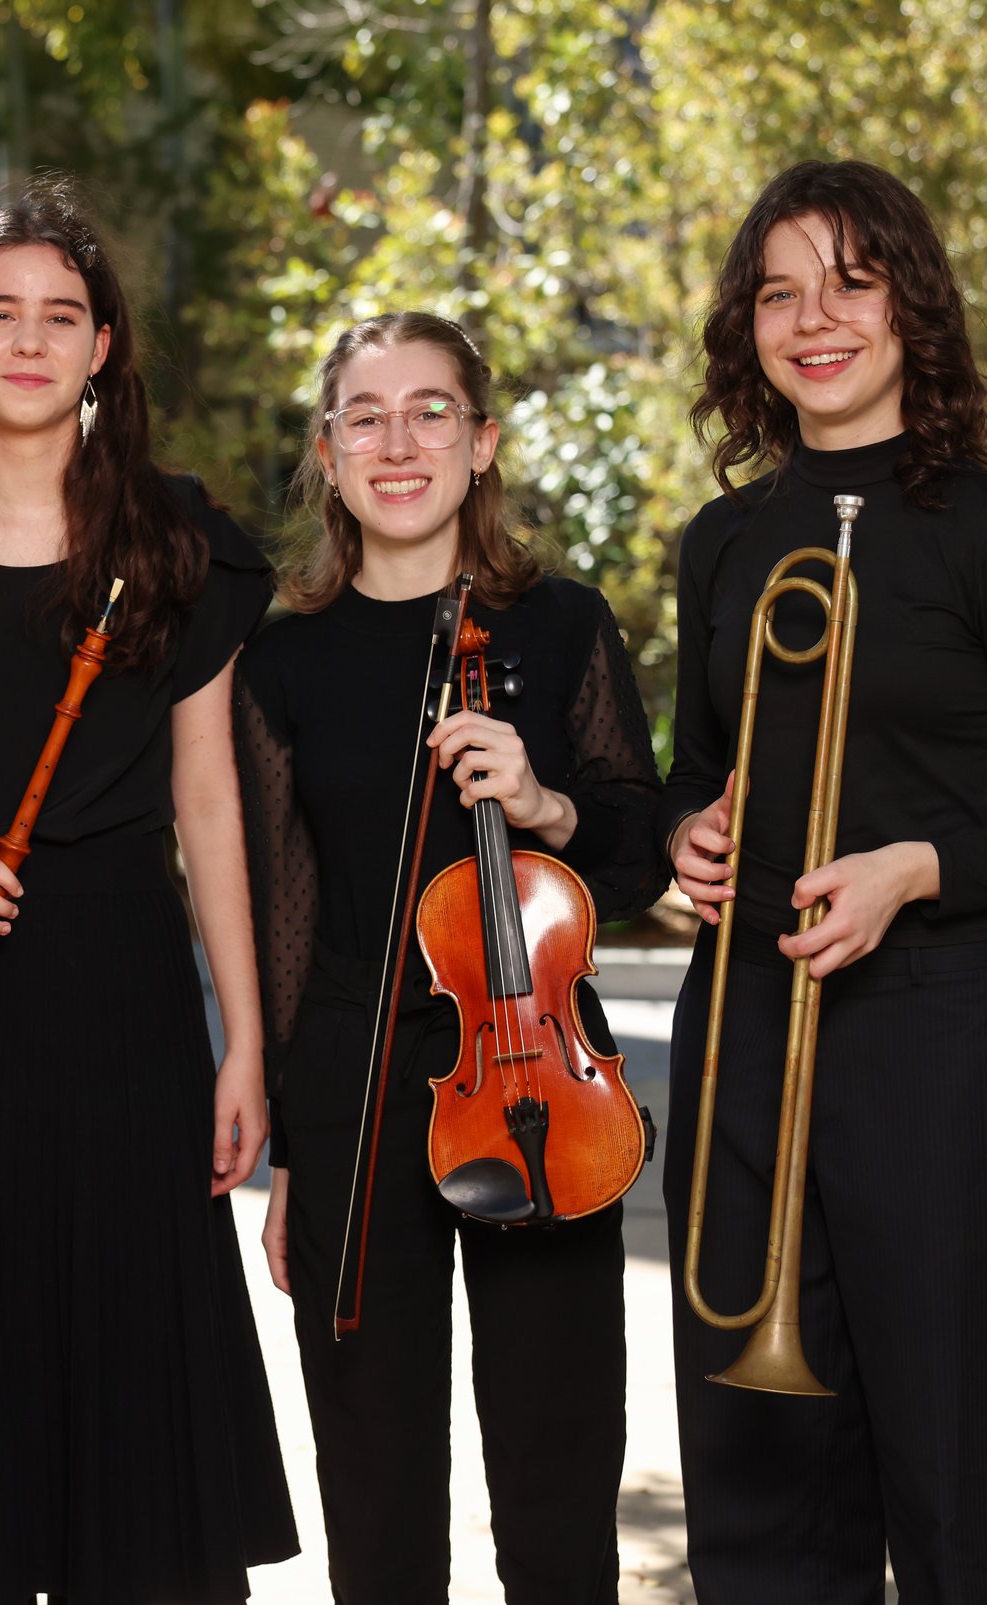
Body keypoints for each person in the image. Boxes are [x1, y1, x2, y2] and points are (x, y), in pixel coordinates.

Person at [0, 178, 299, 1605]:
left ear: (102, 350)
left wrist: (244, 1043)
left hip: (122, 993)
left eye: (61, 315)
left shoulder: (174, 544)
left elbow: (208, 802)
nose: (30, 339)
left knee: (124, 1355)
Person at [660, 159, 987, 1603]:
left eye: (850, 282)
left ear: (910, 307)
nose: (814, 318)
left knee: (951, 1480)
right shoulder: (726, 540)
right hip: (746, 1030)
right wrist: (690, 835)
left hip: (937, 1039)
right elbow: (702, 769)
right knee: (754, 1486)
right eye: (779, 291)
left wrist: (922, 866)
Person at [234, 312, 663, 1603]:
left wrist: (546, 808)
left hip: (544, 1090)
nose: (399, 440)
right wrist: (296, 1161)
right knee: (375, 1487)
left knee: (557, 1474)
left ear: (482, 444)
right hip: (358, 1102)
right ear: (328, 452)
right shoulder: (283, 660)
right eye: (365, 415)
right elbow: (284, 922)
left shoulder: (564, 629)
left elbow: (641, 855)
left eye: (432, 411)